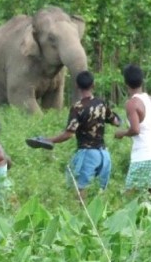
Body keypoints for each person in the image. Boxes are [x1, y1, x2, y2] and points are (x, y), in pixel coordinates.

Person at [36, 71, 121, 200]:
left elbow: (69, 134)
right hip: (104, 155)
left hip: (88, 154)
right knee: (99, 192)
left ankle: (82, 216)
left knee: (81, 190)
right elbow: (116, 121)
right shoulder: (101, 103)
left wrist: (49, 140)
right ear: (93, 85)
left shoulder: (78, 107)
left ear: (77, 86)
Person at [114, 64, 151, 197]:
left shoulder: (132, 104)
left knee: (129, 197)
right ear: (142, 81)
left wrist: (121, 133)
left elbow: (135, 129)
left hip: (143, 156)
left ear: (125, 83)